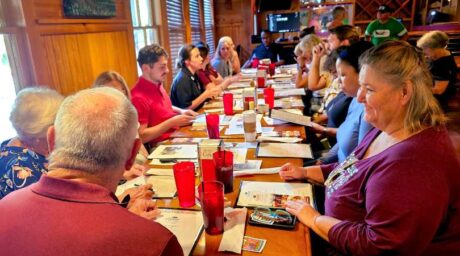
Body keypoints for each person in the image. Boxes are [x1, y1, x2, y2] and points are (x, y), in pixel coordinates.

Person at [280, 41, 460, 255]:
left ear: (404, 92)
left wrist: (314, 218)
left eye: (370, 89)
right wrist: (304, 172)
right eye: (361, 86)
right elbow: (350, 169)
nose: (359, 97)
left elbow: (379, 245)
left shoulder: (414, 163)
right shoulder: (387, 127)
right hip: (326, 229)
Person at [0, 87, 184, 255]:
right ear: (132, 154)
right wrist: (123, 220)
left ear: (52, 139)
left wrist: (120, 212)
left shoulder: (4, 209)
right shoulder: (156, 242)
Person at [0, 88, 64, 199]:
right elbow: (42, 210)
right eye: (57, 128)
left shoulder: (24, 142)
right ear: (37, 137)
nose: (61, 133)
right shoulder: (21, 168)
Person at [131, 44, 197, 148]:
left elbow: (160, 107)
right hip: (162, 146)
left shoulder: (156, 82)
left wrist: (180, 111)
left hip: (176, 135)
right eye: (162, 67)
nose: (167, 70)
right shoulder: (138, 97)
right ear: (146, 68)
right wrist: (171, 122)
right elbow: (141, 136)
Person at [93, 70, 149, 179]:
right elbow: (96, 165)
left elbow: (139, 144)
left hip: (137, 168)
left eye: (120, 91)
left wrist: (149, 163)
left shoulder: (129, 114)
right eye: (109, 92)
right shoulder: (96, 123)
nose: (116, 96)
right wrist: (122, 174)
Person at [171, 44, 221, 110]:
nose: (201, 58)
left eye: (200, 55)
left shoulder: (194, 74)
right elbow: (186, 109)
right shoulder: (183, 79)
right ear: (187, 61)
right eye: (197, 56)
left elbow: (199, 98)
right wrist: (205, 95)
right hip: (187, 119)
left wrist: (210, 94)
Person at [417, 30, 457, 111]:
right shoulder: (438, 55)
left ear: (436, 48)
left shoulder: (444, 64)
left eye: (426, 49)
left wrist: (416, 89)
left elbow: (439, 91)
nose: (424, 52)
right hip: (430, 87)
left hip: (437, 99)